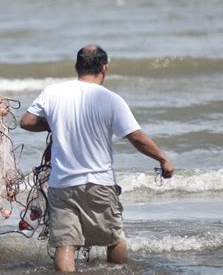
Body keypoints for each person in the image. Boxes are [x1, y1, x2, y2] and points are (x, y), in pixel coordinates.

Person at [20, 44, 174, 272]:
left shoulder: (52, 92)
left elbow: (27, 121)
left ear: (76, 67)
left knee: (66, 243)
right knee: (114, 237)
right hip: (98, 184)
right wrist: (163, 159)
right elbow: (136, 137)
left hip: (61, 184)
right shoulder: (111, 99)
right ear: (105, 68)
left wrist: (53, 125)